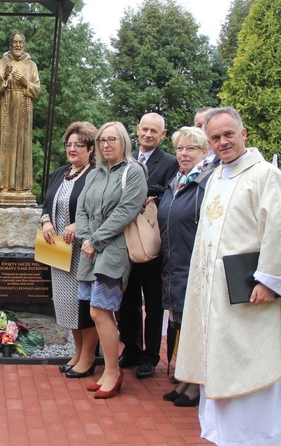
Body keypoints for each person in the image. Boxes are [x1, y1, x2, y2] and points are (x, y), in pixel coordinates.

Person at [175, 107, 281, 445]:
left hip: (253, 295)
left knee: (257, 369)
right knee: (222, 370)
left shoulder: (265, 175)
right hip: (217, 299)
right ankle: (228, 437)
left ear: (243, 134)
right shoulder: (215, 177)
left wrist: (271, 281)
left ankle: (267, 438)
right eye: (215, 137)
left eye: (229, 134)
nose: (223, 142)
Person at [76, 121, 148, 399]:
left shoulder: (133, 171)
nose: (106, 145)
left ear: (124, 142)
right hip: (90, 248)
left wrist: (96, 240)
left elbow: (126, 211)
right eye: (102, 140)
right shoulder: (94, 173)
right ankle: (108, 370)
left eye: (112, 140)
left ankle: (113, 373)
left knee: (100, 312)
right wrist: (86, 237)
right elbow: (81, 207)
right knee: (96, 313)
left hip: (114, 248)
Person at [157, 126, 215, 407]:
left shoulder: (207, 182)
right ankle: (185, 376)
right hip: (174, 263)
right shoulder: (176, 181)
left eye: (191, 148)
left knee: (196, 326)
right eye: (180, 148)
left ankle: (197, 384)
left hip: (195, 265)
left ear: (205, 152)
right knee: (181, 323)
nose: (183, 153)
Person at [118, 112, 178, 379]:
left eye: (155, 131)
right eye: (145, 129)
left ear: (162, 135)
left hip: (152, 243)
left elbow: (170, 191)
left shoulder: (171, 162)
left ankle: (150, 356)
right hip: (125, 241)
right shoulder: (126, 160)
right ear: (137, 130)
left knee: (153, 304)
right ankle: (130, 348)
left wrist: (145, 192)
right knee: (126, 300)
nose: (148, 134)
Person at [40, 121, 98, 378]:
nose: (72, 149)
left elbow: (98, 210)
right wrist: (46, 221)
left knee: (83, 305)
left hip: (81, 251)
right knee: (66, 305)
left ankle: (88, 358)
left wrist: (78, 223)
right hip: (57, 249)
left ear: (90, 148)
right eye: (69, 144)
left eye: (79, 145)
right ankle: (77, 352)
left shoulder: (95, 174)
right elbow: (46, 204)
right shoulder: (61, 172)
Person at [0, 32, 41, 206]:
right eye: (15, 42)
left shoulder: (31, 65)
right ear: (10, 44)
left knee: (22, 145)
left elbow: (37, 91)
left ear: (24, 44)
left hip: (24, 108)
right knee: (5, 145)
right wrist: (4, 76)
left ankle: (22, 187)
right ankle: (2, 186)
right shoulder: (0, 63)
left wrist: (25, 81)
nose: (18, 45)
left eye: (21, 42)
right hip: (6, 109)